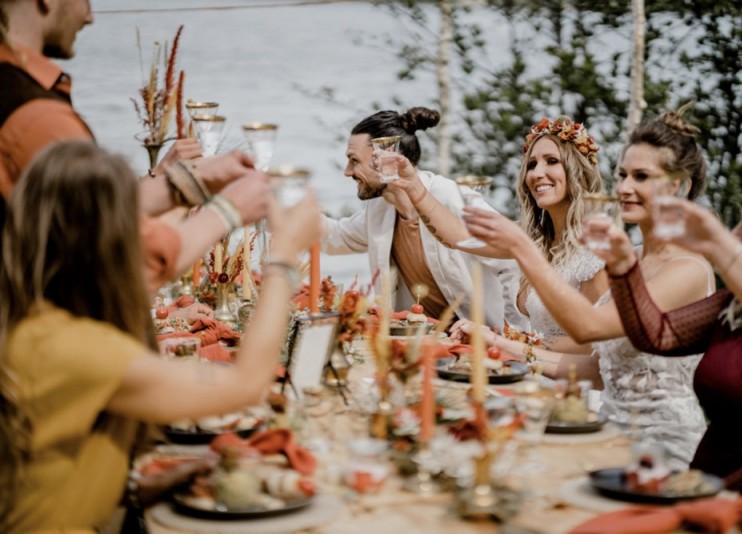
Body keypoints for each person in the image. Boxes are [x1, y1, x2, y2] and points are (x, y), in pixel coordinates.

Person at [0, 140, 322, 532]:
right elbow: (245, 385)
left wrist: (149, 485)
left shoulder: (33, 321)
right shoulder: (72, 348)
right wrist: (285, 257)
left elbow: (49, 466)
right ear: (111, 244)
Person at [463, 106, 713, 469]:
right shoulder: (629, 258)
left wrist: (520, 247)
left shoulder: (687, 270)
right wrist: (499, 344)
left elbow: (589, 328)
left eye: (641, 176)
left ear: (680, 186)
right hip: (605, 434)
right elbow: (597, 371)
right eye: (623, 174)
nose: (625, 187)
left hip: (660, 451)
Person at [0, 0, 261, 292]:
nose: (89, 17)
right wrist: (232, 210)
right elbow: (131, 262)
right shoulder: (38, 119)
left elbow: (83, 212)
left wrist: (189, 182)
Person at [592, 165, 742, 495]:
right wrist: (622, 267)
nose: (735, 234)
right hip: (698, 486)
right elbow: (658, 334)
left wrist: (712, 497)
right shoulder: (736, 304)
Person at [392, 116, 608, 383]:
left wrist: (503, 343)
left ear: (577, 170)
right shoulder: (531, 239)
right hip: (528, 374)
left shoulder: (597, 249)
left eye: (552, 161)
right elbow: (459, 238)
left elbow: (590, 345)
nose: (537, 173)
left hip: (574, 389)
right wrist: (413, 186)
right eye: (531, 164)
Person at [322, 107, 523, 328]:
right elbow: (335, 236)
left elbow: (512, 258)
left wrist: (513, 335)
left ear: (387, 157)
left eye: (354, 160)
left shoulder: (451, 196)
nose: (347, 171)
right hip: (423, 344)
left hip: (482, 346)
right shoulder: (379, 210)